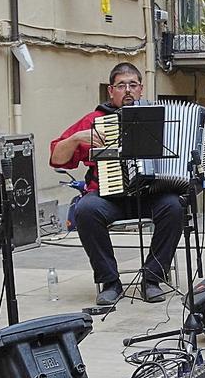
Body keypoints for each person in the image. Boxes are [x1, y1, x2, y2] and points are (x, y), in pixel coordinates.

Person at [50, 62, 187, 305]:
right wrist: (76, 138)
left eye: (132, 85)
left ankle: (153, 277)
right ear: (111, 91)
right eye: (121, 85)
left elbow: (185, 150)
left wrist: (204, 147)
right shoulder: (95, 119)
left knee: (175, 207)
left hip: (149, 195)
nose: (127, 90)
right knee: (85, 210)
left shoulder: (161, 118)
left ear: (141, 89)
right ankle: (110, 281)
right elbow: (56, 157)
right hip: (108, 197)